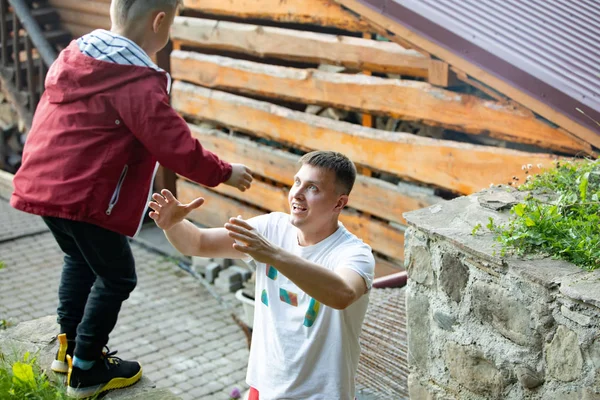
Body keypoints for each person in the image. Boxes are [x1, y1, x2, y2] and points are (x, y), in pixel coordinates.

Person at [10, 0, 253, 397]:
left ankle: (67, 348)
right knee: (118, 276)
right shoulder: (135, 81)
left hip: (42, 188)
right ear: (160, 22)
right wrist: (225, 172)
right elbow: (176, 147)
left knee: (80, 260)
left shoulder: (76, 58)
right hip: (85, 198)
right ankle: (87, 369)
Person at [149, 151, 375, 400]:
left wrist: (272, 254)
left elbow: (342, 293)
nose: (297, 194)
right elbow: (198, 243)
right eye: (297, 182)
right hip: (263, 387)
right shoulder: (272, 227)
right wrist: (172, 224)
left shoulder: (354, 253)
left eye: (313, 188)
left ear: (339, 203)